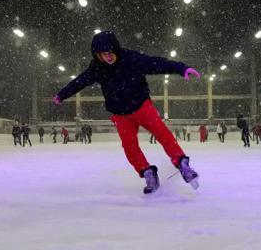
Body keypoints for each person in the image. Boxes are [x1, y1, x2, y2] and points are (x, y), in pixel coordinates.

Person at [53, 30, 201, 194]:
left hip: (141, 106)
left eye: (110, 53)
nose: (108, 58)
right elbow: (80, 81)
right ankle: (148, 173)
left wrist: (182, 68)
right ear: (97, 56)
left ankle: (182, 164)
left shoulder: (131, 59)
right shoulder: (97, 68)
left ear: (115, 49)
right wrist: (62, 94)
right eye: (103, 55)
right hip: (120, 114)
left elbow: (157, 63)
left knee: (162, 133)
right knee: (129, 147)